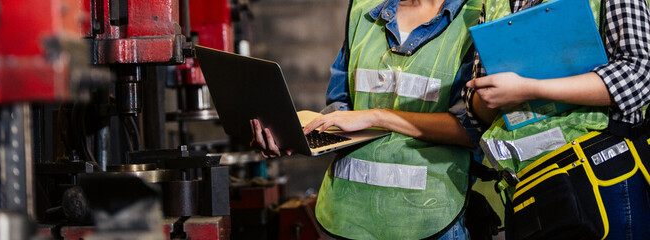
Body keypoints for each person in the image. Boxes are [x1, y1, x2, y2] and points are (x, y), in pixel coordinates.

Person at [251, 0, 485, 239]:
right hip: (353, 215)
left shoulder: (475, 16)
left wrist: (378, 116)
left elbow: (469, 131)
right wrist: (299, 137)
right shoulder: (363, 9)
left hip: (428, 221)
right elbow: (341, 107)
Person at [464, 0, 650, 239]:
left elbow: (638, 74)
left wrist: (529, 89)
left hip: (599, 173)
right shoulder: (493, 3)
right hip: (525, 185)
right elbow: (477, 112)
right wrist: (489, 95)